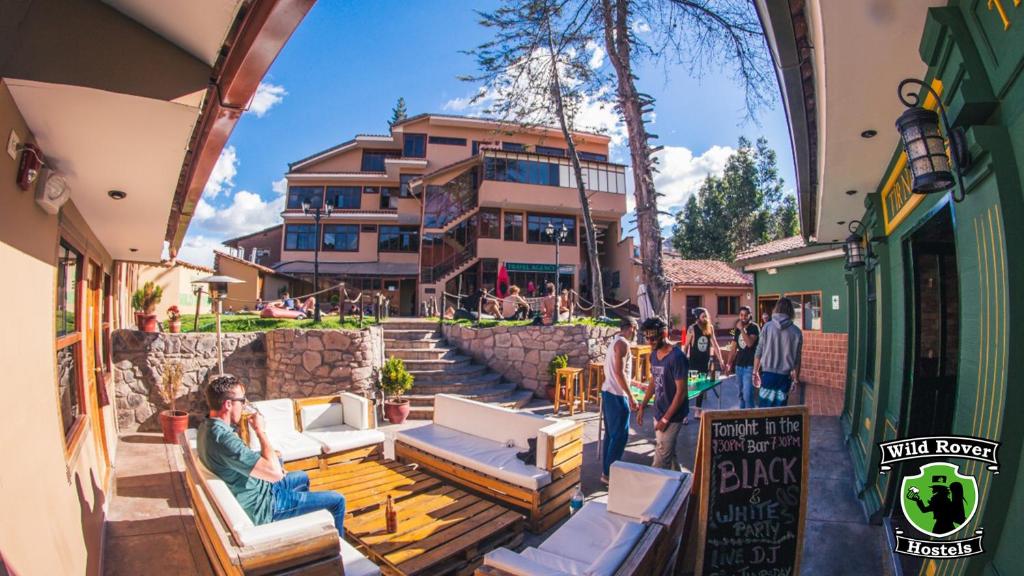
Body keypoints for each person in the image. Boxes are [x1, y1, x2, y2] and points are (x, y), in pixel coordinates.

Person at [196, 374, 346, 536]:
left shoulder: (207, 427)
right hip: (266, 506)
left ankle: (307, 526)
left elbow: (238, 459)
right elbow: (274, 474)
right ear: (228, 404)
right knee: (337, 500)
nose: (244, 405)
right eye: (242, 401)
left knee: (302, 477)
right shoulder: (224, 439)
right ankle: (339, 550)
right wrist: (260, 431)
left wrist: (270, 463)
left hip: (261, 487)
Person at [637, 317, 690, 470]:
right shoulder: (654, 355)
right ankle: (680, 484)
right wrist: (643, 406)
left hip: (672, 416)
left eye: (653, 338)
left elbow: (681, 393)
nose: (650, 342)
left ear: (664, 334)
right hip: (658, 412)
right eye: (647, 338)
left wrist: (666, 419)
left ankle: (655, 491)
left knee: (660, 460)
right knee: (669, 453)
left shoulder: (677, 358)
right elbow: (654, 381)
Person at [601, 317, 639, 483]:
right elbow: (619, 372)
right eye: (635, 328)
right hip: (617, 395)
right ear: (630, 327)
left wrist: (633, 384)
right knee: (620, 437)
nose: (636, 332)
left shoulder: (614, 341)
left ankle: (606, 473)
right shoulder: (623, 344)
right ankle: (610, 474)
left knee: (610, 435)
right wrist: (630, 396)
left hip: (608, 392)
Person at [753, 298, 803, 407]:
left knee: (764, 412)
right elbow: (797, 359)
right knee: (780, 414)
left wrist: (755, 372)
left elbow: (759, 351)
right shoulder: (797, 332)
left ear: (776, 309)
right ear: (791, 311)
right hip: (784, 378)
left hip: (767, 375)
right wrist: (795, 379)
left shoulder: (767, 327)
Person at [683, 307, 723, 420]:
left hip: (704, 363)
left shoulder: (709, 328)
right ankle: (684, 415)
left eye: (706, 316)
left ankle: (697, 412)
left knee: (700, 389)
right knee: (691, 389)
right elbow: (686, 347)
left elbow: (715, 344)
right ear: (697, 318)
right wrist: (683, 361)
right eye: (703, 316)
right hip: (694, 364)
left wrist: (721, 360)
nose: (705, 319)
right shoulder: (692, 329)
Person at [728, 306, 760, 409]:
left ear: (750, 315)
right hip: (739, 366)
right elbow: (733, 348)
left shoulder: (754, 327)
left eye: (746, 315)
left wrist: (742, 329)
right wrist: (729, 364)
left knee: (748, 395)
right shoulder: (736, 329)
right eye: (741, 315)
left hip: (749, 366)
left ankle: (751, 419)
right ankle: (742, 418)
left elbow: (750, 343)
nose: (743, 317)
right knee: (741, 395)